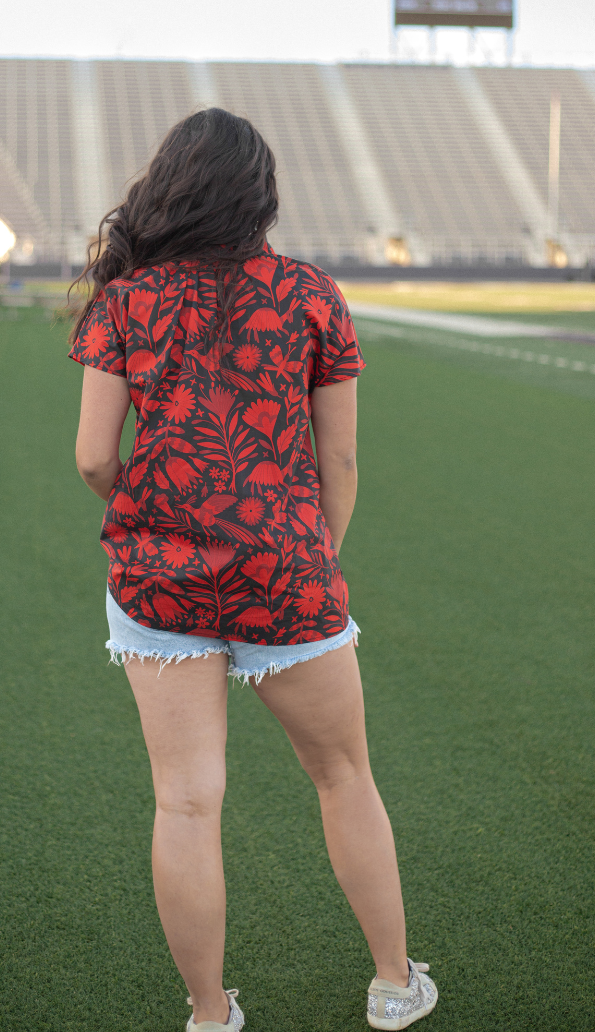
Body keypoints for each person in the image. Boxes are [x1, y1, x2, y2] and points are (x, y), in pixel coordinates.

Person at [69, 108, 438, 1031]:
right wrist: (309, 556)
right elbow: (339, 463)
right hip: (287, 572)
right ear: (260, 195)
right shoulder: (312, 294)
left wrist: (143, 505)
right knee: (345, 776)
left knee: (186, 804)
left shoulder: (126, 301)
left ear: (167, 189)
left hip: (159, 581)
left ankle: (208, 1013)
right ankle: (394, 986)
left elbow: (90, 458)